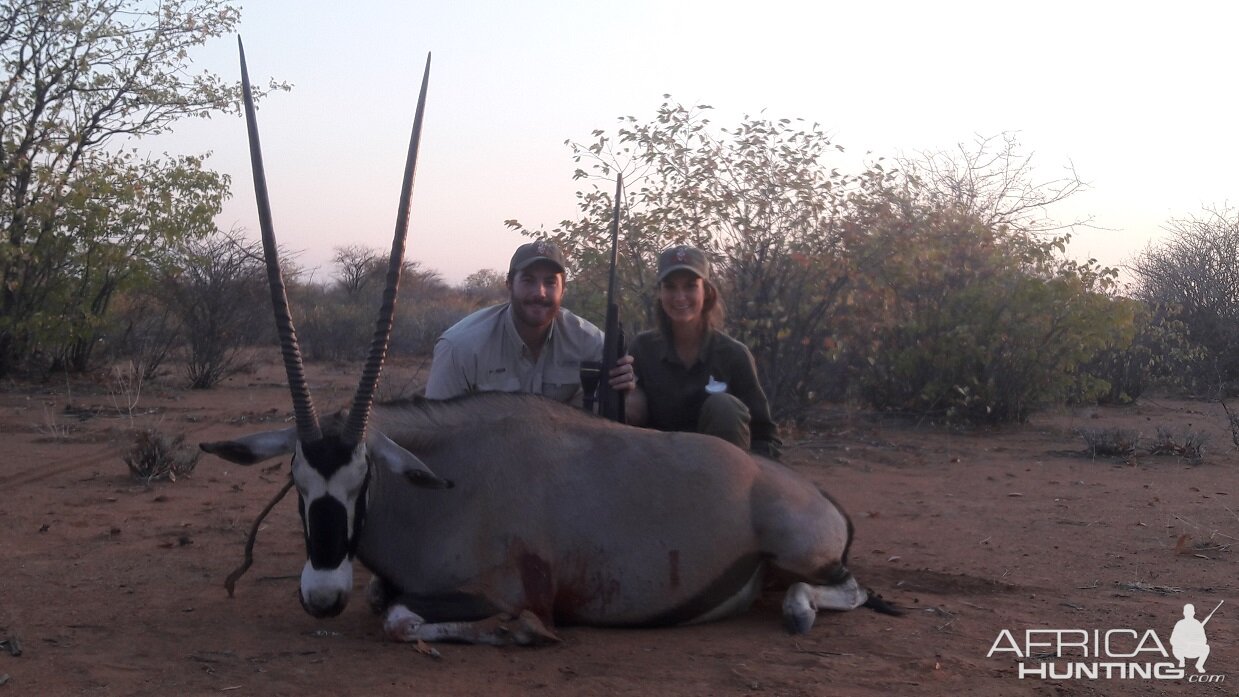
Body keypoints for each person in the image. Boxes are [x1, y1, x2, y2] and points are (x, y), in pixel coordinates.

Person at [425, 240, 634, 404]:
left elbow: (628, 407)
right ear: (509, 284)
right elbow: (434, 431)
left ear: (564, 290)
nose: (539, 293)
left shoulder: (595, 343)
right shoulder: (458, 347)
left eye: (550, 282)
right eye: (528, 280)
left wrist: (625, 385)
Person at [626, 245, 781, 457]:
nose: (680, 297)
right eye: (670, 287)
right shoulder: (641, 349)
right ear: (660, 293)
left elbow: (765, 436)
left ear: (706, 292)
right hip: (658, 468)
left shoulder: (735, 355)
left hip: (720, 475)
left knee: (724, 406)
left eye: (690, 286)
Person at [1170, 603, 1211, 673]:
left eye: (1190, 611)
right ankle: (1181, 660)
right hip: (1182, 650)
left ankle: (1199, 665)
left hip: (1193, 650)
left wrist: (1194, 642)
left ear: (1193, 613)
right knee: (1175, 647)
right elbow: (1172, 639)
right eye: (1187, 611)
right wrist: (1182, 642)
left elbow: (1204, 640)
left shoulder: (1197, 624)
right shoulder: (1180, 623)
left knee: (1206, 648)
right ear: (1184, 613)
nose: (1188, 613)